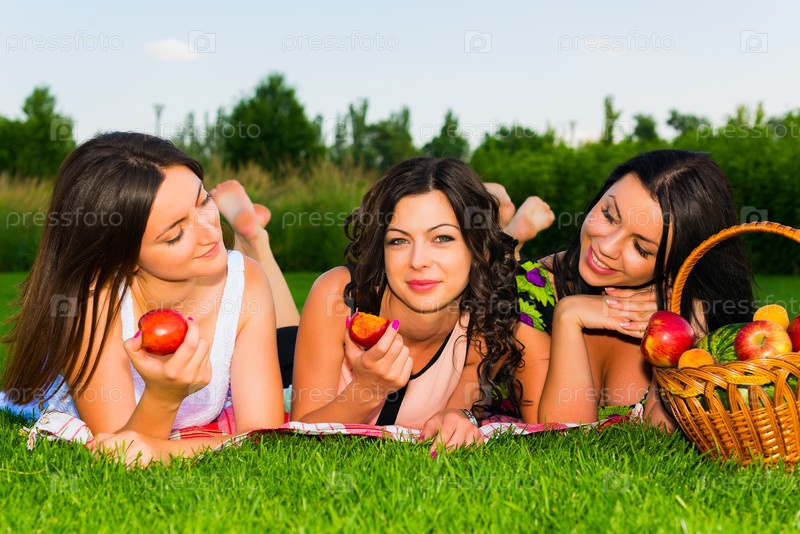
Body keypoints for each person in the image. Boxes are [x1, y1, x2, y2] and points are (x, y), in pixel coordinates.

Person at [0, 132, 293, 466]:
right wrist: (164, 396)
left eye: (203, 202)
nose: (211, 232)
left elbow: (262, 437)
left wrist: (160, 451)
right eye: (176, 234)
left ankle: (252, 237)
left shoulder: (246, 282)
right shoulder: (95, 303)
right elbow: (118, 451)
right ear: (125, 258)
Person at [289, 157, 551, 449]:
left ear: (478, 247)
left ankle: (510, 228)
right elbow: (297, 436)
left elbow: (462, 407)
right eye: (399, 241)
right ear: (381, 249)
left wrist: (459, 416)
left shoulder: (483, 321)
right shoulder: (338, 296)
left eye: (442, 238)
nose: (418, 261)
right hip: (287, 355)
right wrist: (367, 390)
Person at [490, 149, 755, 428]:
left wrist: (686, 334)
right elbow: (558, 430)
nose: (606, 247)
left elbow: (661, 435)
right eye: (608, 215)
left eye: (640, 248)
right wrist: (569, 315)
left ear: (678, 262)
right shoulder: (531, 293)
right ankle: (507, 235)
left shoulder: (694, 314)